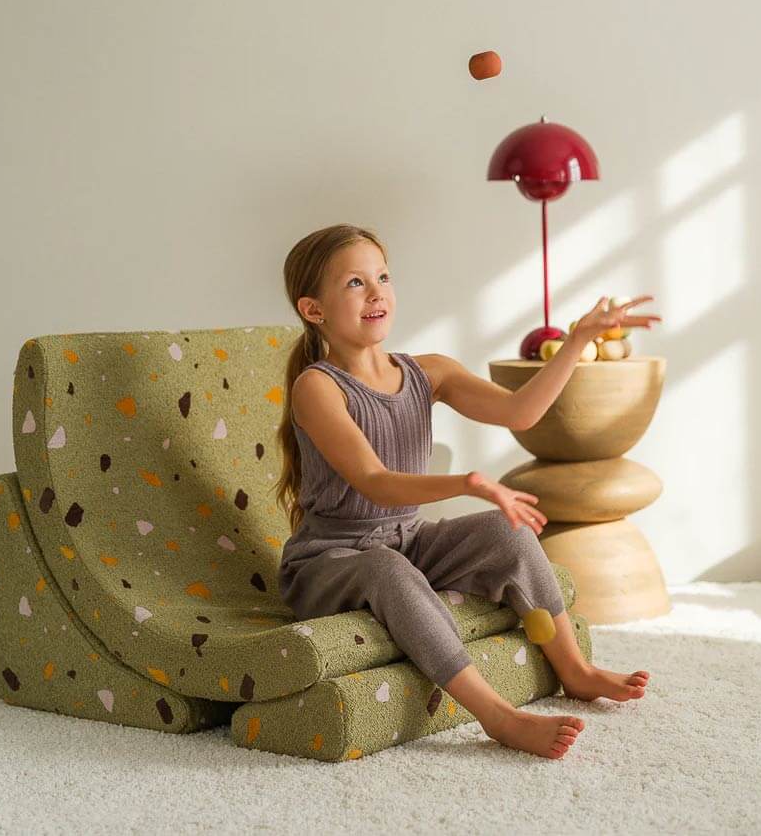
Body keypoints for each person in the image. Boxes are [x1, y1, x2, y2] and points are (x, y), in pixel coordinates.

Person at [270, 223, 660, 760]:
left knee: (507, 531)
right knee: (387, 568)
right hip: (328, 560)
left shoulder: (429, 373)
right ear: (314, 309)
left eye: (383, 277)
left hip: (406, 539)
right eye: (355, 283)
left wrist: (577, 341)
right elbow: (375, 482)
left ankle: (574, 668)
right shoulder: (316, 387)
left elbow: (520, 412)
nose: (377, 292)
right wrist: (469, 483)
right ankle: (498, 717)